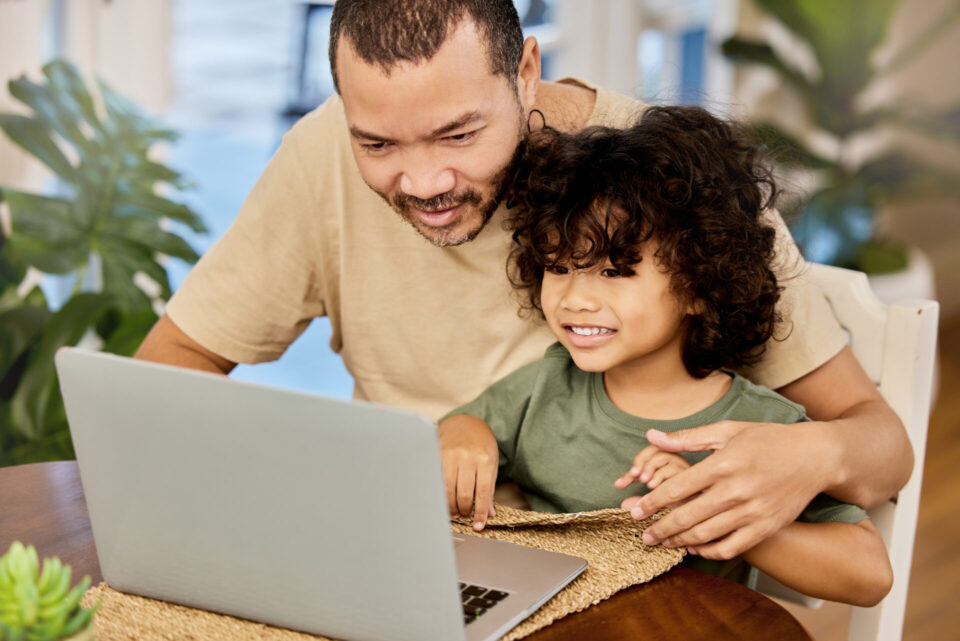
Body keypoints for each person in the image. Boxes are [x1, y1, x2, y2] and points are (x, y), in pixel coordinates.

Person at [134, 0, 912, 561]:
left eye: (460, 132)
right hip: (405, 561)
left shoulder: (668, 189)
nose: (425, 180)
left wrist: (809, 458)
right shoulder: (320, 157)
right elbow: (169, 368)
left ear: (526, 72)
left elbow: (877, 443)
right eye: (377, 142)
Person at [437, 106, 893, 606]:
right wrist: (462, 431)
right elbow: (462, 429)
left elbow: (869, 574)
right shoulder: (545, 387)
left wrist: (726, 516)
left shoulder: (761, 430)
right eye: (559, 266)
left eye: (614, 272)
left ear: (700, 284)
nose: (575, 299)